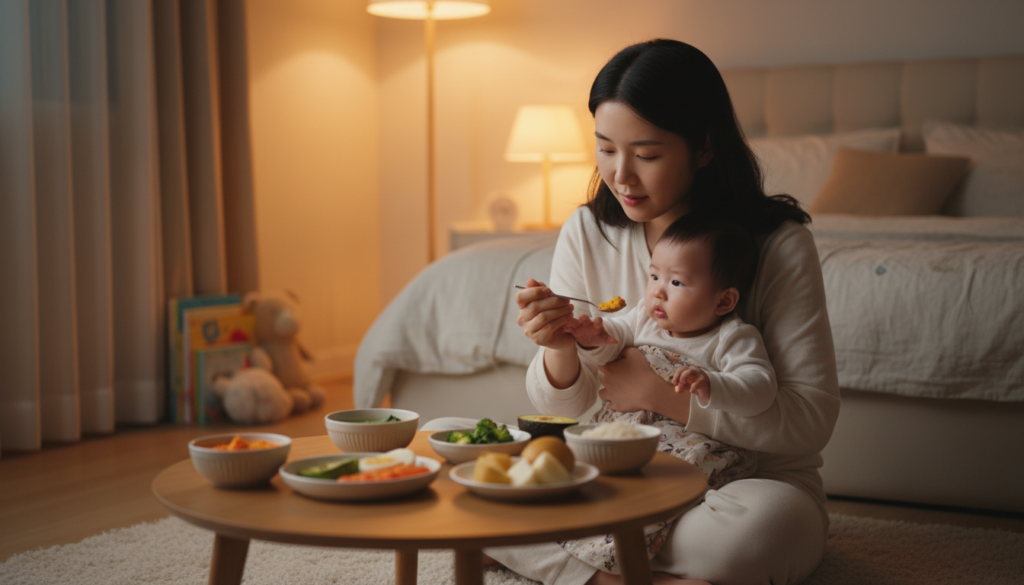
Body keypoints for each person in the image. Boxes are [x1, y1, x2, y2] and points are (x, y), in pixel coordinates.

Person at [495, 38, 841, 585]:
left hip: (745, 482)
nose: (621, 176)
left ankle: (584, 563)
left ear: (703, 147)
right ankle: (618, 575)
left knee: (753, 537)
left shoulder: (777, 243)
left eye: (647, 155)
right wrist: (558, 346)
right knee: (481, 489)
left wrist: (660, 395)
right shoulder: (588, 231)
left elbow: (810, 422)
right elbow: (568, 407)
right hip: (623, 471)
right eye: (605, 148)